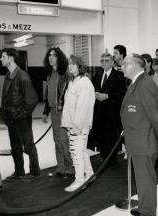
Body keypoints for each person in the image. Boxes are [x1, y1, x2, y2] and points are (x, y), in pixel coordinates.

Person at [120, 54, 158, 216]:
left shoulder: (144, 83)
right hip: (137, 138)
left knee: (146, 179)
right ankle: (145, 206)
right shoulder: (136, 82)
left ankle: (148, 212)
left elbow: (154, 114)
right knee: (141, 178)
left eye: (125, 64)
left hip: (144, 141)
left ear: (136, 66)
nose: (122, 66)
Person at [0, 48, 40, 179]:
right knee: (15, 148)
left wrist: (20, 115)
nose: (1, 59)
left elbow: (32, 100)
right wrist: (5, 116)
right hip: (11, 120)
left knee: (28, 147)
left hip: (21, 120)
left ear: (10, 59)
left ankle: (35, 172)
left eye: (3, 57)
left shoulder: (23, 77)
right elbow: (5, 98)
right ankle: (19, 172)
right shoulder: (7, 76)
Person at [61, 55, 96, 192]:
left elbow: (83, 107)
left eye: (73, 64)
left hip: (79, 125)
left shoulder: (85, 82)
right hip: (72, 124)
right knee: (80, 151)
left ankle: (79, 180)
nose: (70, 66)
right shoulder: (72, 81)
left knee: (76, 152)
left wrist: (77, 126)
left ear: (80, 66)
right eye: (69, 64)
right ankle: (89, 174)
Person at [42, 47, 74, 178]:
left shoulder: (65, 74)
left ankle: (70, 167)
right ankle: (61, 167)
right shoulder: (50, 74)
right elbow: (48, 94)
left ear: (59, 58)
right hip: (53, 112)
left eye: (54, 55)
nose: (51, 57)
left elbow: (69, 95)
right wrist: (45, 111)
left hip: (63, 112)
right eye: (49, 55)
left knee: (63, 140)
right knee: (56, 140)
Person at [90, 52, 127, 163]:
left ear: (112, 62)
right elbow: (92, 89)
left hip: (112, 112)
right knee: (101, 136)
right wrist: (95, 94)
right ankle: (103, 156)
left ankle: (112, 159)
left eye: (107, 60)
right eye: (102, 60)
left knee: (111, 136)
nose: (104, 63)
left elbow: (122, 94)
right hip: (99, 112)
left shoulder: (119, 75)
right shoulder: (98, 74)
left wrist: (108, 96)